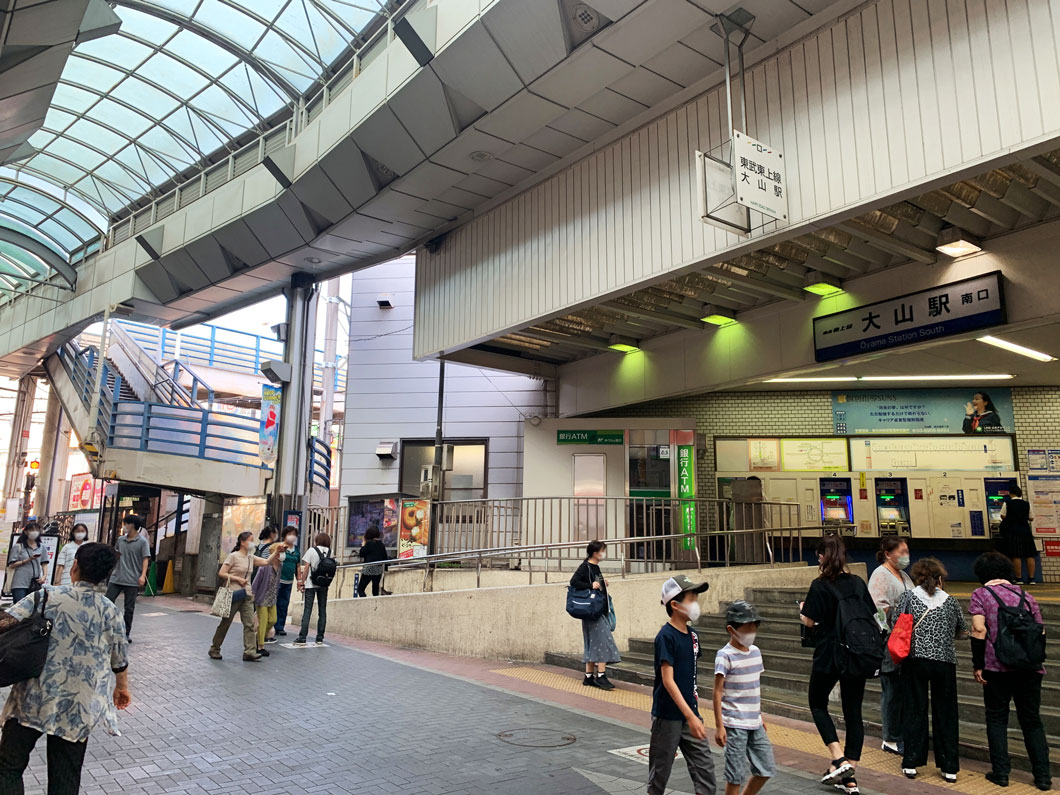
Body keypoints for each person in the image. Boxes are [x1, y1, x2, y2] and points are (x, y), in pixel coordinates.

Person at [0, 542, 131, 795]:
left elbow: (6, 622)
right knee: (65, 779)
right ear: (107, 575)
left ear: (75, 567)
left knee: (7, 767)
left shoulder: (45, 597)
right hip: (77, 708)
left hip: (31, 699)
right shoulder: (111, 612)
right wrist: (122, 688)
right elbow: (119, 659)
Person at [799, 535, 877, 795]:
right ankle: (850, 775)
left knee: (817, 703)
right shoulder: (857, 583)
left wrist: (803, 610)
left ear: (822, 557)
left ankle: (839, 758)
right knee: (853, 711)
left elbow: (809, 621)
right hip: (857, 653)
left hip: (829, 654)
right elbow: (871, 614)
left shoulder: (819, 585)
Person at [969, 550, 1051, 791]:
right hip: (1029, 668)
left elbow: (979, 630)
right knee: (1032, 721)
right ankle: (1043, 776)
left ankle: (1001, 773)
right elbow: (1041, 631)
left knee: (996, 719)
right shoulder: (1027, 596)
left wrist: (978, 664)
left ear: (981, 573)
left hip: (997, 667)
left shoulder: (981, 595)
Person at [893, 557, 967, 783]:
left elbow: (896, 624)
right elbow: (962, 631)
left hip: (915, 660)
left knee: (914, 708)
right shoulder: (951, 601)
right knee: (946, 712)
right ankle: (949, 766)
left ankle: (911, 762)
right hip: (944, 662)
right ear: (940, 579)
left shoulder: (908, 598)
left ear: (917, 577)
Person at [648, 574, 714, 795]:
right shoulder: (666, 636)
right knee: (660, 774)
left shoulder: (693, 636)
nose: (696, 603)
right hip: (668, 717)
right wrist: (690, 716)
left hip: (690, 714)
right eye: (691, 599)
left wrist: (693, 714)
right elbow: (668, 680)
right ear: (675, 605)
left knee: (705, 771)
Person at [713, 600, 774, 795]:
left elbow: (753, 687)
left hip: (755, 722)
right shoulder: (725, 655)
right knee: (735, 776)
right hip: (734, 724)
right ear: (731, 630)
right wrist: (719, 726)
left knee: (766, 768)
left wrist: (759, 716)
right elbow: (717, 692)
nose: (752, 632)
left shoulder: (755, 652)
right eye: (747, 628)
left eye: (754, 627)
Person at [866, 535, 913, 755]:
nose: (906, 556)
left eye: (907, 551)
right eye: (901, 552)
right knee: (892, 689)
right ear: (888, 554)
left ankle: (901, 731)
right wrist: (898, 617)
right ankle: (891, 738)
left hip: (906, 638)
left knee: (902, 689)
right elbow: (877, 608)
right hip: (890, 640)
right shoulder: (880, 575)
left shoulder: (904, 575)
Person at [209, 531, 275, 661]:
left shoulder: (251, 557)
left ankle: (249, 651)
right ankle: (214, 648)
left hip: (247, 594)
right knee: (226, 623)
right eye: (250, 540)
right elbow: (222, 573)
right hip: (234, 594)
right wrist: (237, 579)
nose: (252, 543)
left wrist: (277, 552)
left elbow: (267, 562)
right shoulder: (233, 556)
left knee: (249, 624)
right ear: (242, 542)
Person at [569, 539, 620, 690]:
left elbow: (597, 586)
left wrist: (603, 583)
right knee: (603, 642)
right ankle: (601, 676)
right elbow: (574, 582)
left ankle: (589, 676)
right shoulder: (585, 566)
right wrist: (591, 585)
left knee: (592, 643)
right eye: (602, 550)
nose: (604, 553)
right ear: (595, 553)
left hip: (596, 610)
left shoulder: (595, 567)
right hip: (593, 612)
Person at [105, 515, 150, 642]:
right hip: (116, 577)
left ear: (132, 525)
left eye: (126, 524)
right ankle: (106, 628)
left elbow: (145, 559)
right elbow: (115, 555)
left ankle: (125, 633)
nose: (124, 526)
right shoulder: (121, 540)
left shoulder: (142, 542)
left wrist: (142, 575)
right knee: (107, 602)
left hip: (132, 579)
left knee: (129, 609)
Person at [295, 532, 334, 646]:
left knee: (307, 610)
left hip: (311, 584)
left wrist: (302, 582)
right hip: (324, 584)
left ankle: (302, 637)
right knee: (322, 610)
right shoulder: (330, 552)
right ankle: (320, 637)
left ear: (317, 540)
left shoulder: (312, 550)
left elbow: (306, 568)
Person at [251, 542, 284, 658]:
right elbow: (256, 581)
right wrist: (253, 594)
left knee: (273, 620)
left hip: (272, 597)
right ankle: (260, 646)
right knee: (263, 621)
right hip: (262, 597)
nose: (283, 555)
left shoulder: (280, 566)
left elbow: (277, 581)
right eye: (281, 552)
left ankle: (258, 638)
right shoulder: (265, 567)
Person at [999, 485, 1038, 585]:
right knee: (1029, 555)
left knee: (1016, 555)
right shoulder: (1027, 504)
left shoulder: (1007, 503)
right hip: (1026, 531)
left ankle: (1019, 578)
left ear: (1011, 494)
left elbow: (1003, 516)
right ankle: (1031, 578)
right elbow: (1031, 518)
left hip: (1013, 531)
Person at [8, 524, 48, 603]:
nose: (34, 532)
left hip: (34, 582)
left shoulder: (41, 547)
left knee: (34, 606)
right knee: (21, 606)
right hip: (19, 582)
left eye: (37, 530)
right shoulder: (18, 546)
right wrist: (28, 559)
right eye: (32, 530)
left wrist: (44, 576)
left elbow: (44, 563)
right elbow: (12, 564)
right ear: (26, 532)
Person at [274, 526, 300, 636]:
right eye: (290, 534)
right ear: (284, 535)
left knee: (284, 604)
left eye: (294, 534)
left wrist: (299, 580)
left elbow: (297, 566)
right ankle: (271, 626)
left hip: (289, 582)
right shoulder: (279, 547)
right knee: (274, 603)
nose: (292, 536)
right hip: (278, 580)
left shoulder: (296, 550)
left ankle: (280, 627)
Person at [53, 524, 89, 588]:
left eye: (82, 531)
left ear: (86, 533)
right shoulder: (67, 547)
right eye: (77, 531)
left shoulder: (88, 548)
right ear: (73, 533)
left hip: (82, 582)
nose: (80, 533)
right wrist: (57, 582)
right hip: (66, 581)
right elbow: (61, 566)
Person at [357, 525, 388, 597]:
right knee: (375, 590)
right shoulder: (381, 544)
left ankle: (365, 601)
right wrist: (385, 568)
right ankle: (375, 602)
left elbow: (361, 554)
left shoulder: (368, 544)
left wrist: (363, 544)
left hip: (369, 569)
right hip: (379, 569)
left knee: (360, 589)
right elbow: (385, 557)